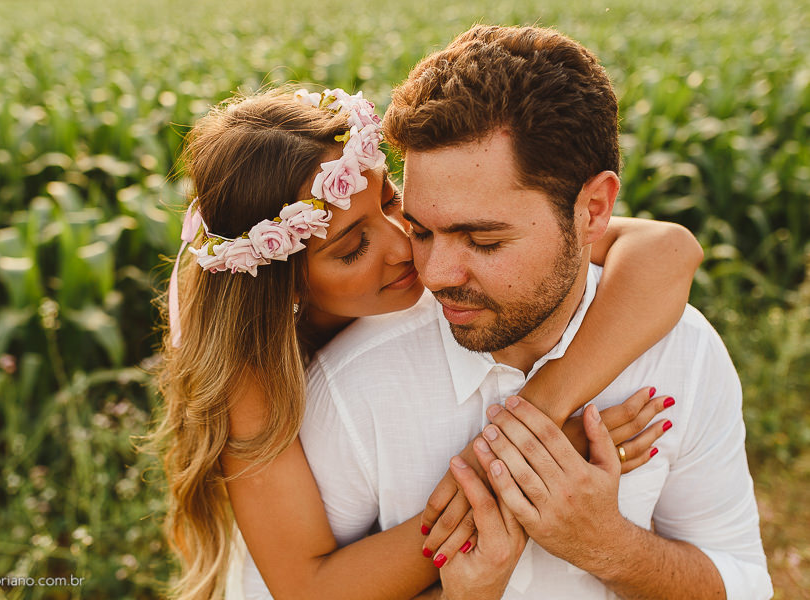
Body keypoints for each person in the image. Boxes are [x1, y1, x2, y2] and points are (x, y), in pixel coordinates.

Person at [149, 86, 702, 600]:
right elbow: (308, 587)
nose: (405, 248)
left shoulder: (425, 234)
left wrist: (537, 415)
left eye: (394, 206)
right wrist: (522, 469)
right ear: (286, 282)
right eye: (351, 249)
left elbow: (669, 251)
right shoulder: (249, 368)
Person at [289, 25, 773, 600]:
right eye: (420, 230)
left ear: (594, 210)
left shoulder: (683, 353)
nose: (436, 274)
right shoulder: (351, 386)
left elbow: (743, 582)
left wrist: (610, 547)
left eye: (484, 241)